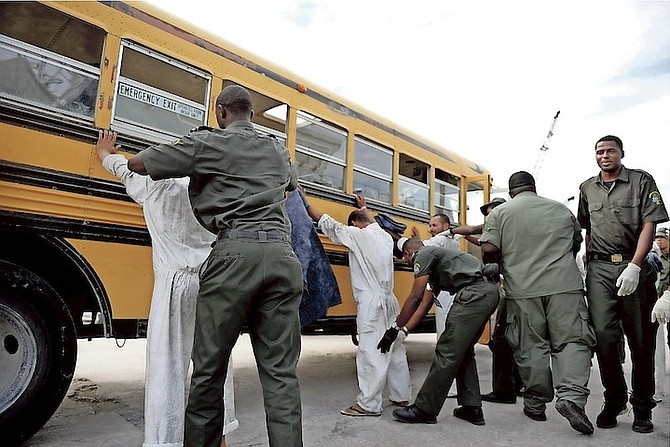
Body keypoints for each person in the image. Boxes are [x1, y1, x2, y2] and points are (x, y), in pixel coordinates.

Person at [126, 85, 304, 447]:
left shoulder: (208, 143)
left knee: (209, 372)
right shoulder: (277, 148)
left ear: (221, 112)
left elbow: (138, 164)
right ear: (251, 115)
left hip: (234, 255)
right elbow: (291, 185)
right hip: (284, 259)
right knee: (282, 375)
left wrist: (195, 155)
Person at [95, 130, 238, 447]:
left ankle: (165, 441)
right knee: (216, 366)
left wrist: (105, 151)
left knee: (167, 370)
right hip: (210, 284)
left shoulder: (153, 183)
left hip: (173, 285)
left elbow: (119, 166)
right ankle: (220, 438)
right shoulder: (218, 190)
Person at [480, 171, 596, 435]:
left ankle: (535, 402)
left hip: (522, 289)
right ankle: (572, 398)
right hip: (564, 285)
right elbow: (575, 245)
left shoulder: (500, 213)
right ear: (534, 187)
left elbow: (488, 250)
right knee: (573, 341)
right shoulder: (560, 210)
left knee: (530, 346)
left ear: (511, 192)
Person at [578, 135, 668, 433]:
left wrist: (635, 265)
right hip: (599, 269)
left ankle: (643, 407)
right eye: (599, 152)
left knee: (641, 339)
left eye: (610, 151)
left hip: (633, 266)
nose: (605, 156)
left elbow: (649, 224)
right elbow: (588, 229)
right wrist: (588, 264)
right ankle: (614, 400)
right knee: (603, 336)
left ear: (621, 154)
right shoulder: (587, 188)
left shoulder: (641, 181)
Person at [303, 194, 412, 416]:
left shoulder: (356, 234)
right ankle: (402, 396)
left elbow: (328, 223)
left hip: (372, 302)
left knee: (370, 351)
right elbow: (369, 220)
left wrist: (303, 201)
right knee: (395, 348)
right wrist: (365, 208)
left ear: (354, 223)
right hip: (390, 300)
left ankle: (369, 404)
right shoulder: (383, 236)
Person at [380, 238, 499, 426]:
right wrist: (401, 330)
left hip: (473, 294)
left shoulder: (423, 254)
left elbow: (415, 298)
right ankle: (471, 407)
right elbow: (424, 305)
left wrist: (393, 328)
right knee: (462, 351)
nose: (406, 263)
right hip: (484, 293)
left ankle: (425, 409)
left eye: (405, 258)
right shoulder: (437, 264)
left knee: (447, 350)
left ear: (409, 253)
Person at [651, 227, 669, 401]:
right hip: (658, 302)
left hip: (668, 299)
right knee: (656, 345)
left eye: (662, 237)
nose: (658, 240)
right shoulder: (656, 256)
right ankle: (657, 389)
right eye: (656, 237)